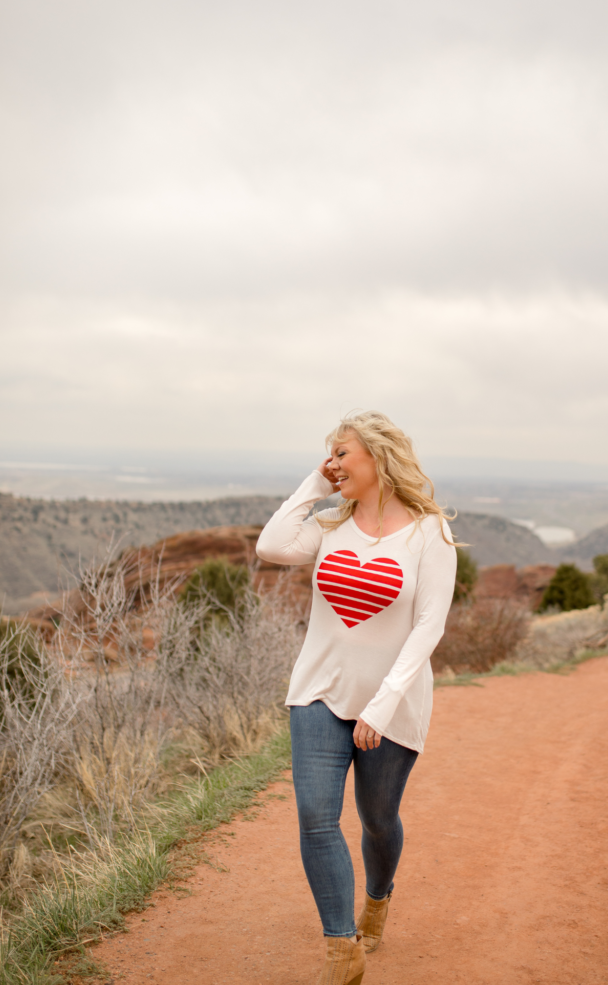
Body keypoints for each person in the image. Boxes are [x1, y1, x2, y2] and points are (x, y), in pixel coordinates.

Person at [256, 411, 458, 985]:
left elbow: (428, 628)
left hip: (391, 706)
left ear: (378, 457)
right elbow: (271, 546)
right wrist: (316, 485)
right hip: (318, 694)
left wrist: (382, 704)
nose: (334, 463)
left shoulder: (429, 534)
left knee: (377, 820)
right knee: (317, 819)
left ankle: (378, 896)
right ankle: (342, 951)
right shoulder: (327, 526)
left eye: (343, 454)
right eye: (331, 454)